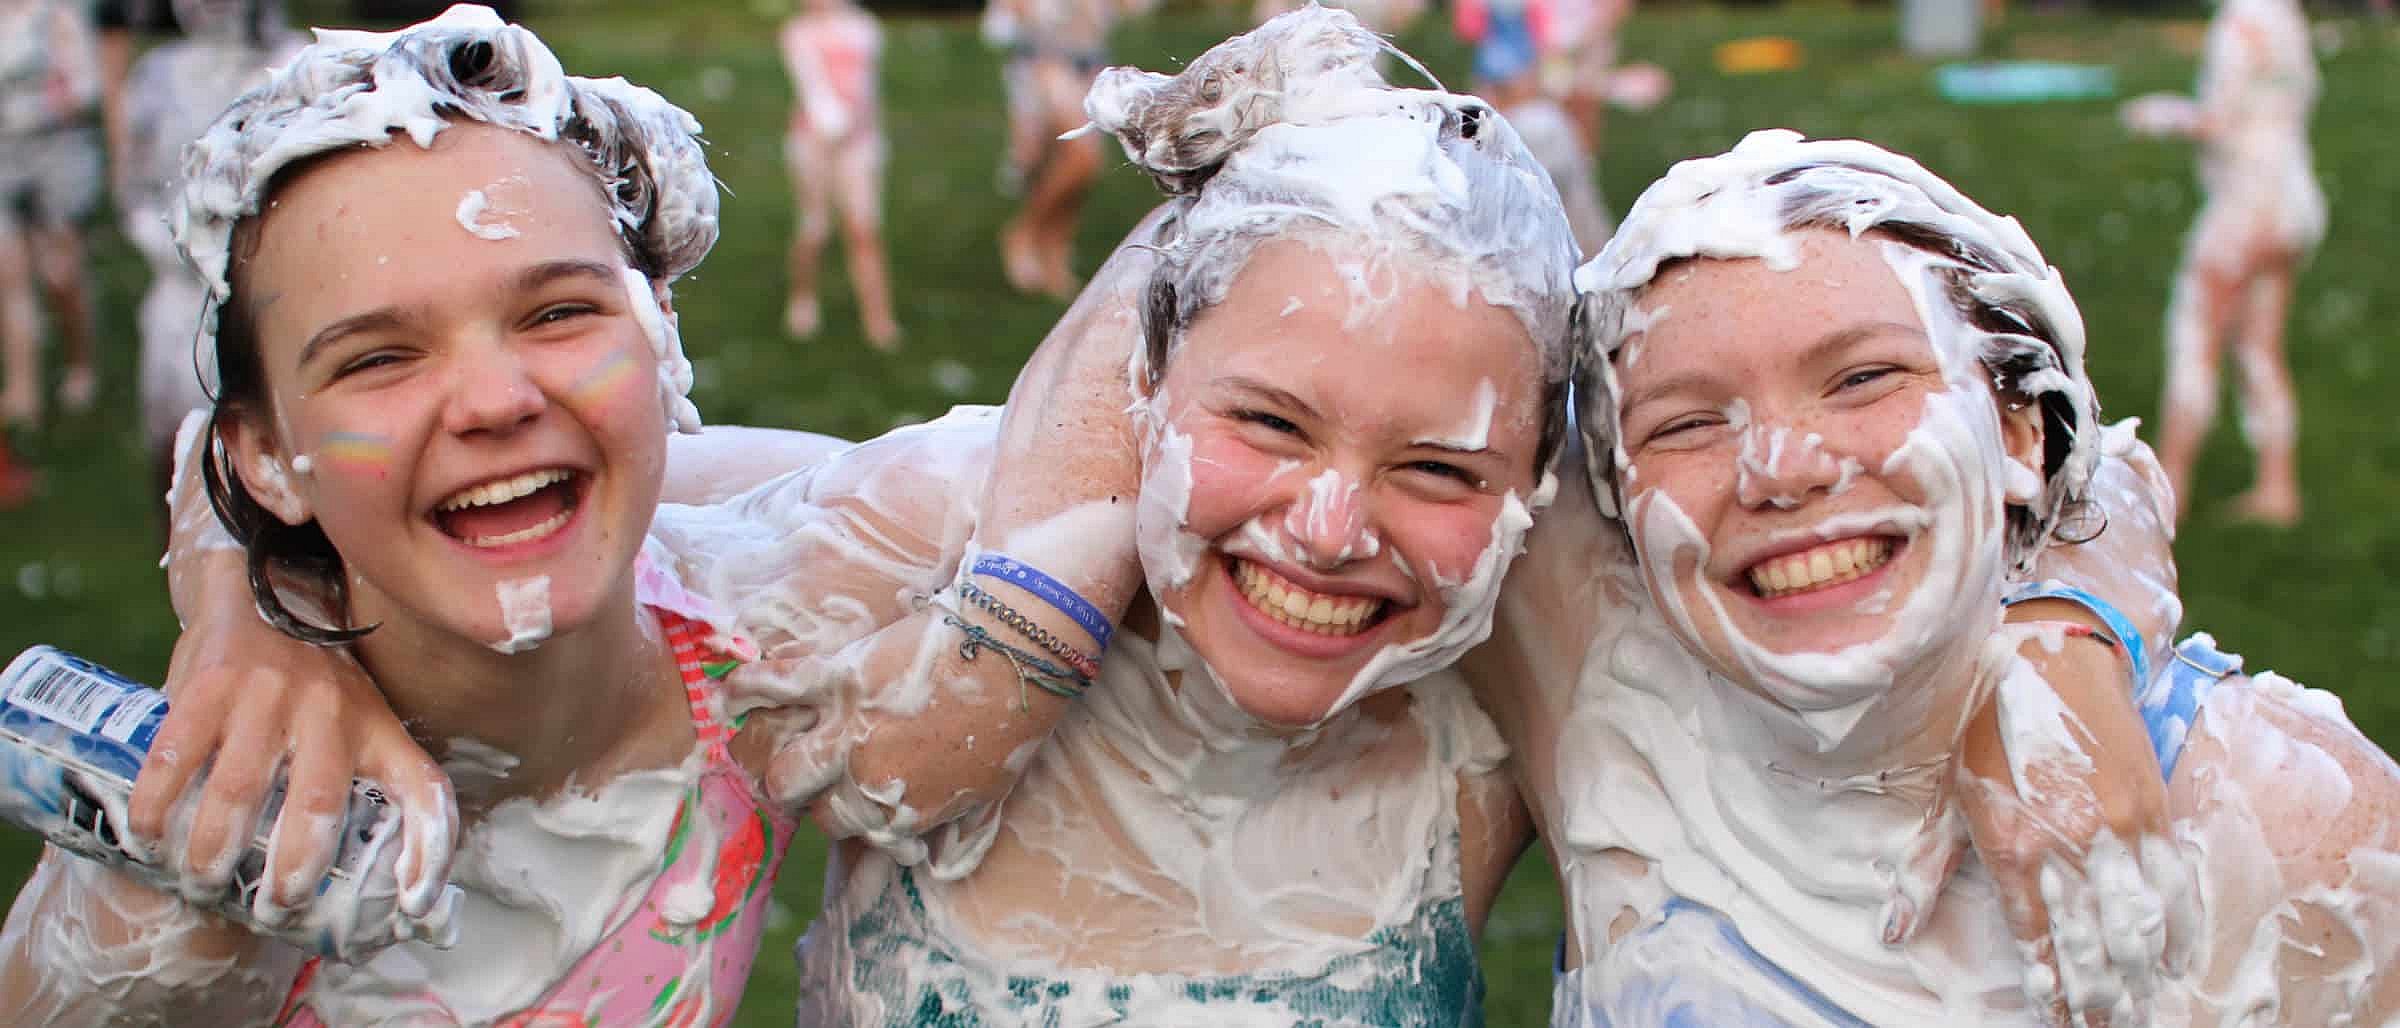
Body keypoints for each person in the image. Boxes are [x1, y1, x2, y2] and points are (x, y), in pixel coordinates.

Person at [135, 13, 2196, 1026]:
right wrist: (245, 601)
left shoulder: (1521, 626)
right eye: (1264, 420)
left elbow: (2039, 467)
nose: (1333, 524)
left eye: (1438, 466)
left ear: (1528, 490)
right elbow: (519, 497)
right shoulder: (926, 525)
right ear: (1143, 394)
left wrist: (2081, 641)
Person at [0, 9, 807, 1021]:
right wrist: (239, 612)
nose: (495, 400)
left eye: (558, 311)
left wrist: (234, 600)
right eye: (378, 357)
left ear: (661, 338)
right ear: (265, 460)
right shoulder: (230, 858)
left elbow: (1044, 463)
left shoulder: (778, 617)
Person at [1540, 127, 2400, 1023]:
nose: (1780, 468)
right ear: (1615, 496)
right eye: (1683, 426)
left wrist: (2062, 632)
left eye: (1864, 378)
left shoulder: (2285, 819)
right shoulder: (1598, 702)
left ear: (2024, 433)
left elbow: (2111, 463)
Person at [2123, 0, 2323, 525]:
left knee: (2196, 337)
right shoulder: (2286, 18)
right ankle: (2279, 488)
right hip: (2294, 200)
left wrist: (2159, 115)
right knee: (2260, 345)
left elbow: (2218, 122)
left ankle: (2170, 489)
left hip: (2246, 204)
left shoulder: (2237, 24)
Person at [118, 0, 306, 504]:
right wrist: (171, 247)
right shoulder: (156, 75)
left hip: (271, 285)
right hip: (178, 291)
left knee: (279, 447)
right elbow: (134, 190)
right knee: (179, 447)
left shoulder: (298, 66)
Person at [982, 0, 1131, 298]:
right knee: (1082, 157)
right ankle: (1024, 232)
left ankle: (1055, 247)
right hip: (1045, 61)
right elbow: (1002, 22)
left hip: (1090, 61)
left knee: (1078, 166)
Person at [0, 0, 104, 425]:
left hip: (57, 154)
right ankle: (23, 389)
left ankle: (81, 363)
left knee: (59, 273)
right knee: (8, 271)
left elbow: (87, 88)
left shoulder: (59, 13)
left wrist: (47, 105)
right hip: (5, 155)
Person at [779, 0, 900, 348]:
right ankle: (803, 298)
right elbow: (815, 92)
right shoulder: (799, 34)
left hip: (860, 144)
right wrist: (831, 122)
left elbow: (868, 90)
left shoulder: (865, 30)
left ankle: (878, 316)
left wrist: (869, 135)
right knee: (814, 226)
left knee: (864, 227)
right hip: (813, 144)